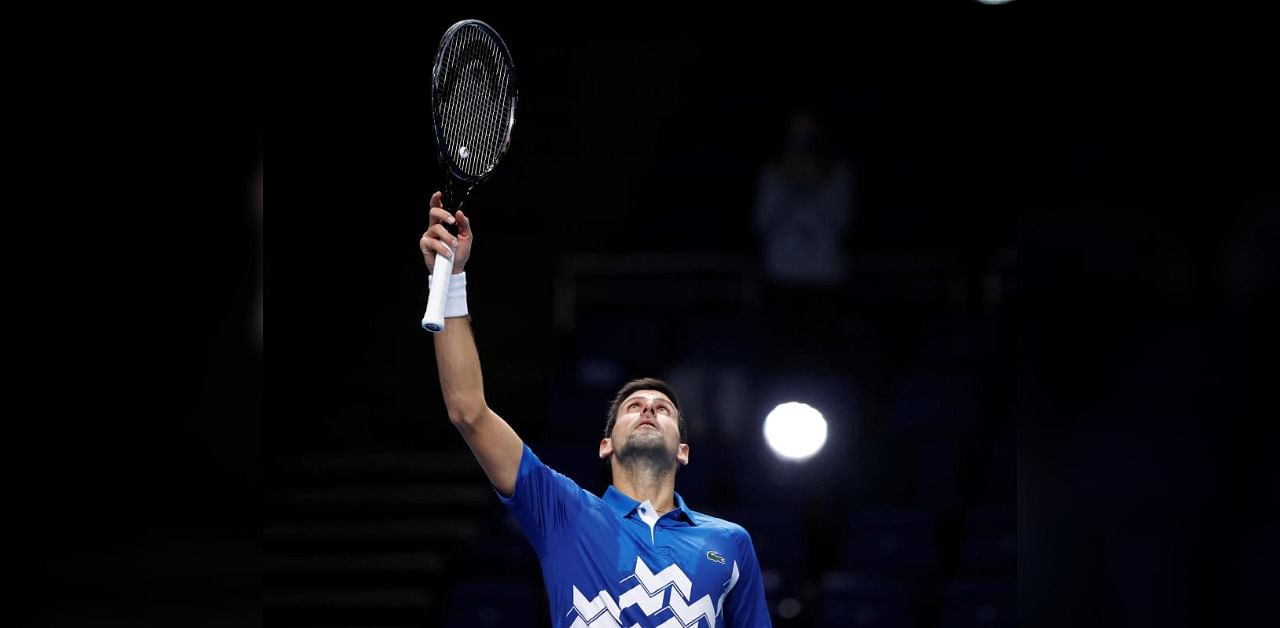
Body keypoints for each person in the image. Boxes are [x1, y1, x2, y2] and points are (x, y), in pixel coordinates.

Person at [419, 190, 772, 627]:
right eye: (633, 406)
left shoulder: (730, 541)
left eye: (663, 409)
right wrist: (450, 281)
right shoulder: (562, 510)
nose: (648, 409)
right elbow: (467, 412)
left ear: (683, 449)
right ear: (606, 444)